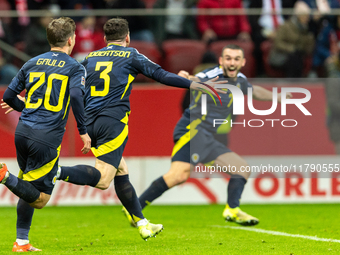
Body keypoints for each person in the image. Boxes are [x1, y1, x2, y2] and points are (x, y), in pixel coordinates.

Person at [55, 17, 224, 239]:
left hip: (90, 121)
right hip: (112, 122)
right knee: (104, 179)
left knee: (121, 170)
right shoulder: (131, 55)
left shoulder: (88, 58)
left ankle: (142, 223)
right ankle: (54, 171)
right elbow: (161, 75)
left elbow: (70, 88)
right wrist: (195, 84)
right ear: (127, 37)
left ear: (105, 39)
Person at [130, 44, 292, 227]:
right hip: (193, 130)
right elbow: (196, 78)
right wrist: (186, 77)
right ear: (221, 61)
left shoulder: (240, 80)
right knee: (177, 175)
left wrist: (277, 97)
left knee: (241, 169)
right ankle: (134, 210)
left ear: (243, 62)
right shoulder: (212, 75)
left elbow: (254, 91)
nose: (232, 62)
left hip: (206, 136)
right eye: (228, 58)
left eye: (236, 59)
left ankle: (232, 209)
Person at [0, 17, 103, 252]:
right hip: (46, 137)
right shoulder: (75, 66)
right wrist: (83, 131)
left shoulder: (32, 62)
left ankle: (21, 241)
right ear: (71, 39)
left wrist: (26, 107)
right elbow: (77, 97)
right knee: (40, 199)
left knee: (27, 182)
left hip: (23, 131)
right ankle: (4, 175)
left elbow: (7, 97)